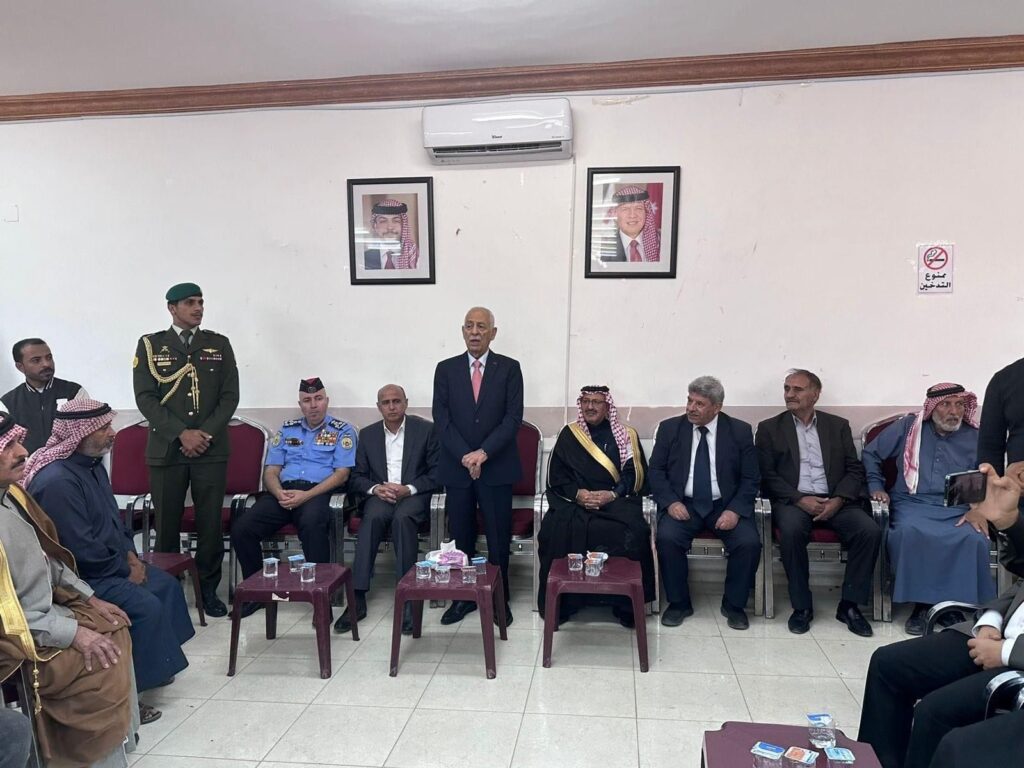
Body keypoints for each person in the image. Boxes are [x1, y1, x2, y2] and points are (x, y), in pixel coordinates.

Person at [24, 399, 194, 716]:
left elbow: (116, 521)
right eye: (103, 428)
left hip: (112, 563)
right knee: (145, 607)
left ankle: (154, 666)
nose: (112, 433)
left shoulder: (91, 466)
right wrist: (125, 571)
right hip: (83, 578)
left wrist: (131, 556)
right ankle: (130, 697)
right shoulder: (58, 481)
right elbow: (79, 550)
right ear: (79, 434)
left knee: (167, 587)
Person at [858, 460, 1024, 768]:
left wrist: (1007, 651)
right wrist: (991, 619)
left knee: (934, 713)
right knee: (888, 665)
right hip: (996, 634)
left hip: (1015, 657)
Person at [0, 412, 136, 766]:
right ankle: (75, 756)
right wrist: (72, 633)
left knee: (115, 624)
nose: (22, 452)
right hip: (16, 636)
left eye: (18, 442)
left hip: (44, 612)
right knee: (100, 662)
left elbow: (49, 559)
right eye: (8, 445)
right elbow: (6, 618)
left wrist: (90, 597)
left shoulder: (13, 496)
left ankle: (120, 739)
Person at [133, 282, 239, 617]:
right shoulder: (151, 345)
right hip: (167, 448)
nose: (198, 308)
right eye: (190, 303)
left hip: (210, 448)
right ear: (172, 308)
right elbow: (145, 397)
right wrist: (181, 434)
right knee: (166, 524)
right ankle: (168, 590)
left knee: (210, 524)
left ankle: (208, 590)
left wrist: (202, 434)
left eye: (200, 302)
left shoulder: (218, 344)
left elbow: (229, 397)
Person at [862, 383, 994, 635]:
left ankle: (954, 605)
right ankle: (922, 606)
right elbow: (871, 454)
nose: (954, 411)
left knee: (974, 537)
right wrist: (876, 486)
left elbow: (989, 475)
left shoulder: (974, 435)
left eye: (959, 404)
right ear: (932, 408)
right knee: (909, 533)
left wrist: (979, 509)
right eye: (946, 404)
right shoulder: (908, 428)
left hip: (959, 506)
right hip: (912, 503)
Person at [756, 370, 880, 636]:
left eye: (797, 389)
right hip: (793, 501)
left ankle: (849, 605)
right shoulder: (769, 429)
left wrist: (838, 500)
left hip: (836, 499)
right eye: (787, 388)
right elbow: (766, 475)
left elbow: (854, 469)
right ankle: (802, 607)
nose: (790, 394)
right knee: (791, 531)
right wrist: (799, 499)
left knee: (868, 531)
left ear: (815, 394)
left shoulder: (837, 426)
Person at [231, 378, 356, 617]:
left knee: (312, 526)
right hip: (283, 492)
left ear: (327, 401)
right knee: (242, 529)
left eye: (318, 399)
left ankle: (320, 600)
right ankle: (258, 593)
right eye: (307, 400)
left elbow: (342, 474)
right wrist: (278, 492)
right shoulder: (287, 430)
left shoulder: (342, 431)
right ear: (300, 405)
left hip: (317, 493)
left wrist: (306, 495)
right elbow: (271, 471)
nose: (313, 405)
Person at [432, 306, 523, 626]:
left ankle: (499, 598)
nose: (474, 332)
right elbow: (441, 419)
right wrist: (465, 456)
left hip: (496, 466)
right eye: (469, 326)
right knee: (462, 536)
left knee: (498, 537)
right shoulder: (446, 369)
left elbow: (512, 419)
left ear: (492, 333)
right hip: (457, 469)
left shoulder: (509, 368)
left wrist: (483, 453)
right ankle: (464, 598)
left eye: (481, 327)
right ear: (462, 331)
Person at [650, 376, 761, 630]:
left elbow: (751, 478)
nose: (691, 408)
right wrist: (670, 503)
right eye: (689, 401)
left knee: (748, 543)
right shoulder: (670, 429)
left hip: (725, 504)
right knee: (667, 538)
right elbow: (655, 471)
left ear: (717, 407)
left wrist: (735, 510)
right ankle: (679, 603)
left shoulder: (739, 431)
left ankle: (734, 605)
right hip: (684, 503)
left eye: (699, 404)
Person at [537, 385, 652, 627]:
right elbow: (556, 476)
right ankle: (565, 603)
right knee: (556, 529)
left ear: (607, 406)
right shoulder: (569, 434)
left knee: (634, 531)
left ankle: (625, 605)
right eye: (586, 401)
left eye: (596, 402)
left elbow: (635, 474)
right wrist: (578, 494)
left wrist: (612, 494)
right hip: (576, 502)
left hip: (615, 502)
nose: (590, 406)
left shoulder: (626, 434)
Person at [334, 384, 439, 635]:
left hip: (412, 494)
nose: (392, 407)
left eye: (396, 401)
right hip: (380, 495)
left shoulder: (426, 430)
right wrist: (375, 489)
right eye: (386, 402)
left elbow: (437, 474)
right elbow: (356, 478)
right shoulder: (368, 434)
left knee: (403, 519)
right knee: (371, 519)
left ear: (406, 403)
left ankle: (407, 597)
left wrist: (408, 489)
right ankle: (357, 597)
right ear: (378, 406)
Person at [2, 338, 88, 453]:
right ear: (20, 367)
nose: (46, 364)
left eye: (49, 357)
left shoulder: (74, 392)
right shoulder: (7, 402)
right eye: (36, 360)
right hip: (27, 463)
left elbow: (87, 434)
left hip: (69, 461)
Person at [599, 184, 661, 263]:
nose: (632, 215)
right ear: (615, 214)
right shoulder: (603, 248)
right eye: (625, 209)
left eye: (638, 208)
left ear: (646, 212)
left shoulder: (660, 243)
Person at [363, 198, 419, 270]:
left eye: (396, 221)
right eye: (383, 221)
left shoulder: (415, 257)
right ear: (375, 226)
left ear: (403, 225)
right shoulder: (363, 259)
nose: (390, 227)